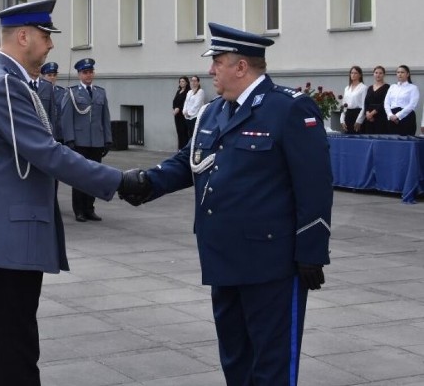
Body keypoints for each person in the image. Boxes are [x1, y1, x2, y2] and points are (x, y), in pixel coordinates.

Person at [124, 22, 333, 386]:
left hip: (272, 263)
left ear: (241, 66)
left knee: (272, 364)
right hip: (222, 258)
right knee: (235, 359)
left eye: (217, 61)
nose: (210, 70)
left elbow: (314, 185)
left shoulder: (289, 110)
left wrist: (312, 251)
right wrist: (145, 182)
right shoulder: (214, 111)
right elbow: (188, 162)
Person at [0, 0, 148, 386]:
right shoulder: (4, 85)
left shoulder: (0, 78)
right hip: (9, 232)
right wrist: (119, 182)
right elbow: (46, 152)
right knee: (15, 348)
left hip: (4, 231)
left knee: (4, 343)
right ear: (23, 36)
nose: (50, 45)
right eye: (46, 37)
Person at [60, 58, 112, 222]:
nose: (89, 75)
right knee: (80, 177)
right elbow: (66, 118)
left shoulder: (100, 92)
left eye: (91, 72)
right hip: (79, 142)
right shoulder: (72, 93)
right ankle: (79, 210)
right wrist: (69, 140)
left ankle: (90, 208)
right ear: (79, 74)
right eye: (85, 72)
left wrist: (107, 139)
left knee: (95, 177)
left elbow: (105, 117)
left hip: (96, 141)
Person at [384, 65, 419, 136]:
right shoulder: (392, 87)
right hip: (392, 116)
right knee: (392, 141)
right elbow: (386, 102)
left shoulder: (413, 88)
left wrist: (397, 116)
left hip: (406, 116)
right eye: (398, 72)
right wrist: (390, 115)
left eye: (402, 72)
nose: (400, 74)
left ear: (408, 74)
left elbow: (412, 105)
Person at [361, 66, 389, 135]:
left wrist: (373, 113)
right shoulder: (370, 87)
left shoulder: (387, 87)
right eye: (376, 73)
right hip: (369, 117)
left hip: (381, 116)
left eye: (380, 73)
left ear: (384, 75)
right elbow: (366, 102)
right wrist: (367, 113)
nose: (378, 75)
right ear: (373, 74)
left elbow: (385, 102)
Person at [340, 66, 366, 134]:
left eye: (355, 73)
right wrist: (342, 120)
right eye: (352, 73)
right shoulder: (347, 88)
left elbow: (364, 105)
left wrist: (359, 120)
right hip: (348, 114)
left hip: (357, 114)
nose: (353, 75)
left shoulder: (363, 88)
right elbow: (344, 105)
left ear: (360, 75)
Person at [172, 76, 190, 149]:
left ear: (186, 82)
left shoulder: (188, 91)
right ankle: (180, 148)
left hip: (183, 114)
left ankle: (184, 148)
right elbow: (174, 101)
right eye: (180, 81)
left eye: (183, 81)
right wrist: (174, 108)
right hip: (177, 115)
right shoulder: (178, 91)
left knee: (184, 131)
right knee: (179, 131)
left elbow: (185, 102)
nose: (181, 83)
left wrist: (179, 108)